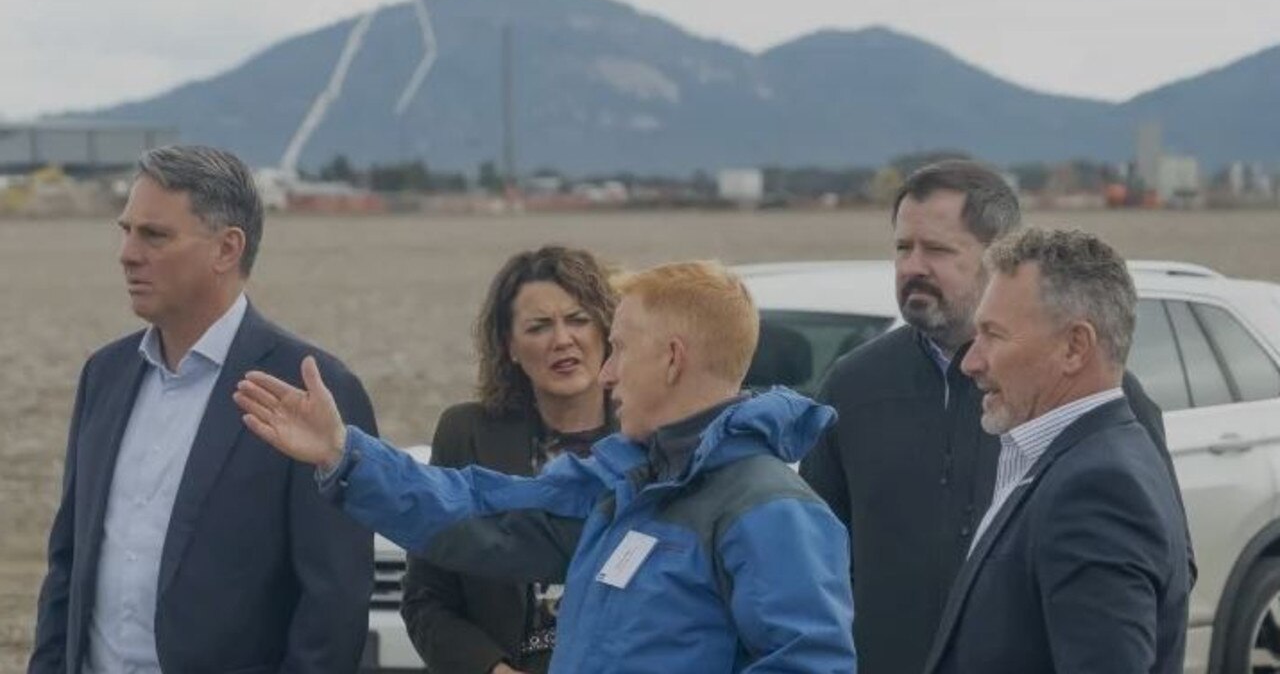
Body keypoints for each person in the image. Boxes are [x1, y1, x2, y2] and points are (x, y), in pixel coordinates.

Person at [234, 261, 857, 673]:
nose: (606, 371)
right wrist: (348, 457)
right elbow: (480, 508)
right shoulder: (626, 486)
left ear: (671, 359)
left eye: (619, 349)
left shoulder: (770, 509)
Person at [800, 159, 1184, 674]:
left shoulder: (1088, 402)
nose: (913, 266)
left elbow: (1160, 568)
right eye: (901, 248)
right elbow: (814, 560)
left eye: (936, 249)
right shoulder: (854, 386)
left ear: (998, 255)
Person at [28, 145, 378, 674]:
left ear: (226, 249)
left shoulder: (311, 391)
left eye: (154, 235)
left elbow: (333, 605)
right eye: (126, 230)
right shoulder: (105, 376)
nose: (127, 252)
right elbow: (68, 564)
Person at [922, 227, 1190, 672]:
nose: (971, 361)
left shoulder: (1098, 488)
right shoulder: (1080, 459)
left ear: (1074, 347)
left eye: (993, 335)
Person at [401, 246, 617, 674]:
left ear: (607, 331)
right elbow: (426, 597)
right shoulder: (466, 434)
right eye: (539, 327)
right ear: (510, 347)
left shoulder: (649, 438)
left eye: (577, 320)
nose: (562, 340)